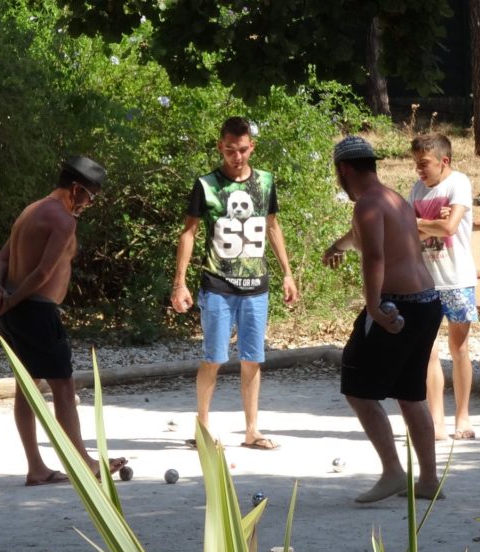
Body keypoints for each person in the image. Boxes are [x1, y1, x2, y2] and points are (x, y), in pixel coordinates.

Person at [0, 155, 126, 486]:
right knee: (64, 387)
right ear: (76, 189)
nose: (90, 204)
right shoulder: (63, 220)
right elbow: (42, 273)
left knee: (27, 389)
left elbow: (2, 259)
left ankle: (36, 467)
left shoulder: (31, 210)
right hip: (35, 311)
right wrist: (11, 301)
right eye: (90, 197)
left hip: (16, 310)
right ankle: (86, 464)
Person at [322, 135, 443, 503]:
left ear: (343, 169)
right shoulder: (392, 199)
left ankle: (393, 472)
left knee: (357, 386)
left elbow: (374, 257)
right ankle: (428, 480)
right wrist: (337, 247)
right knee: (410, 393)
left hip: (397, 305)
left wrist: (374, 307)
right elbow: (362, 238)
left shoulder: (367, 206)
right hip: (427, 302)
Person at [170, 116, 298, 450]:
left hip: (256, 284)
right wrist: (179, 283)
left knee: (253, 358)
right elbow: (189, 233)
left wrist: (287, 272)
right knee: (213, 357)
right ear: (220, 147)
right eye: (230, 150)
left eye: (242, 150)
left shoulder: (266, 182)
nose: (236, 157)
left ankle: (252, 430)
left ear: (251, 147)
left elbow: (272, 226)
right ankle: (203, 427)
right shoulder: (207, 184)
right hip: (218, 285)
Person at [409, 133, 478, 441]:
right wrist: (431, 222)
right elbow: (408, 233)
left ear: (443, 160)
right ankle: (436, 422)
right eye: (416, 165)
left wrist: (424, 224)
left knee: (459, 348)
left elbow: (449, 228)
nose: (419, 171)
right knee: (427, 351)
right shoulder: (416, 190)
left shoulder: (459, 184)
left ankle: (462, 417)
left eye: (424, 164)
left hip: (457, 278)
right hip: (425, 281)